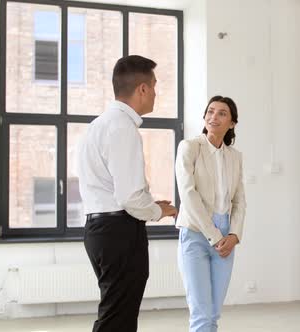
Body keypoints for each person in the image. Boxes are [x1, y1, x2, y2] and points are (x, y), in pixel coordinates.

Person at [77, 55, 178, 332]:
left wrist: (150, 204)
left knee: (115, 311)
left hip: (100, 228)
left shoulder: (98, 125)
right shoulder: (122, 128)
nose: (157, 92)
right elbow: (130, 198)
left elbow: (113, 188)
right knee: (117, 318)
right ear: (142, 89)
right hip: (118, 232)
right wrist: (161, 210)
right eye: (155, 85)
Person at [175, 95, 246, 332]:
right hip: (196, 233)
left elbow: (239, 200)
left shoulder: (235, 157)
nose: (214, 117)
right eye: (210, 111)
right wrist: (214, 236)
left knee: (213, 312)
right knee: (201, 313)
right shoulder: (189, 147)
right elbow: (188, 195)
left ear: (232, 123)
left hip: (226, 235)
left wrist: (234, 235)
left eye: (222, 113)